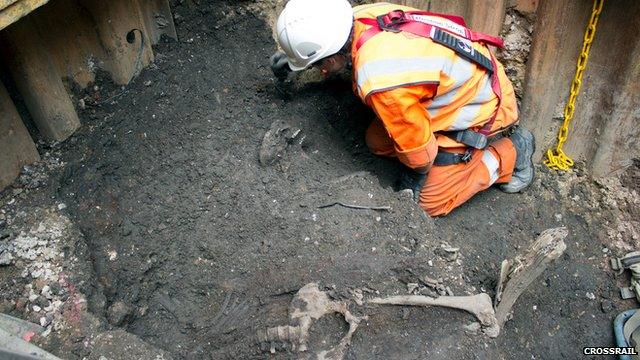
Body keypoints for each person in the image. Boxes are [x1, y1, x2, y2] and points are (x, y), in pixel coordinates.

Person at [270, 0, 535, 217]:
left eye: (319, 66)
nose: (322, 72)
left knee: (428, 203)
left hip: (484, 108)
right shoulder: (359, 17)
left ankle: (510, 153)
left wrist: (415, 176)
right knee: (377, 141)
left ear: (332, 55)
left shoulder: (379, 79)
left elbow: (423, 159)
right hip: (464, 79)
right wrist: (299, 62)